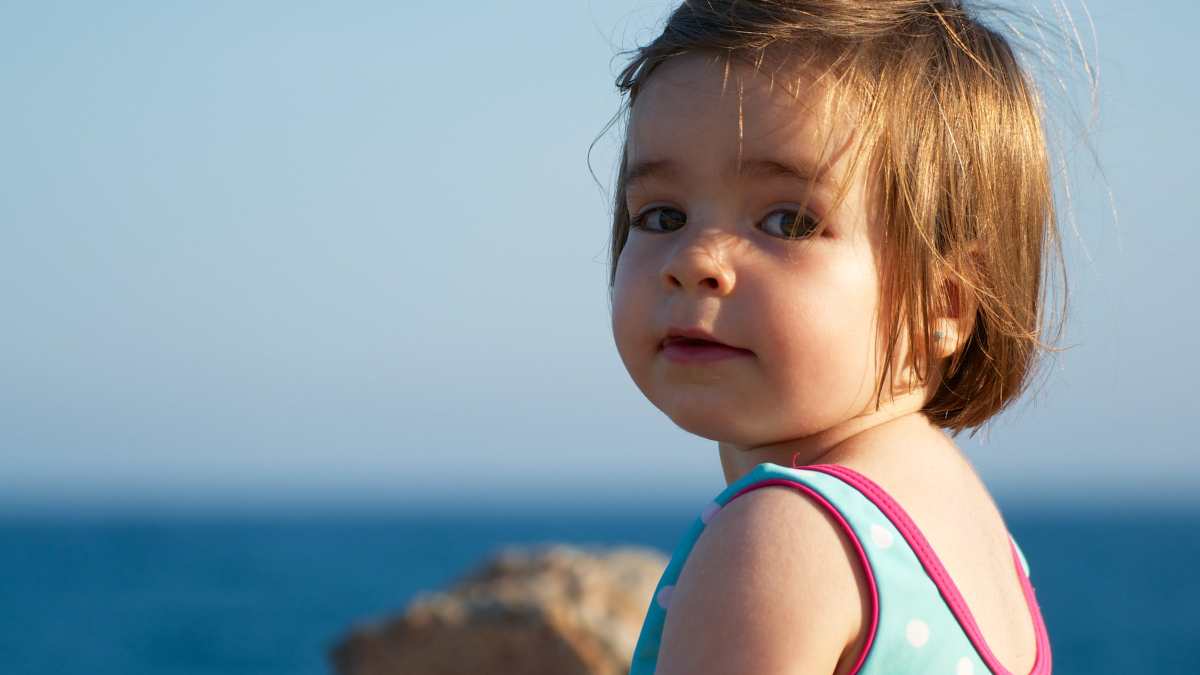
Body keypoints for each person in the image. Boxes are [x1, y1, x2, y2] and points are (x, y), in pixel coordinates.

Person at [604, 1, 1066, 673]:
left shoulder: (778, 534)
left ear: (946, 301)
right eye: (661, 214)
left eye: (787, 220)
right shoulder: (970, 533)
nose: (694, 259)